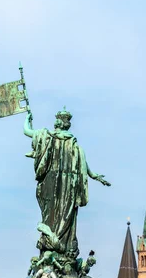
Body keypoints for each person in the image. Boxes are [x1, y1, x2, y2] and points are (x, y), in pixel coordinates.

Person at [23, 108, 110, 259]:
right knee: (67, 216)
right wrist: (95, 176)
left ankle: (52, 246)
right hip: (69, 186)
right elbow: (85, 166)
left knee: (49, 214)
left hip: (50, 183)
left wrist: (27, 119)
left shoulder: (46, 137)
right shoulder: (75, 146)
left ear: (57, 123)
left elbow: (27, 131)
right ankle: (63, 246)